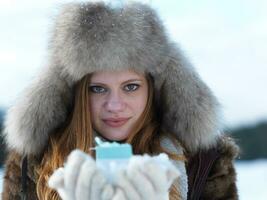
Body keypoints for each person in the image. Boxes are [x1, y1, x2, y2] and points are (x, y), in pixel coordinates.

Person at [1, 1, 239, 200]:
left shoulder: (202, 163)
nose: (114, 105)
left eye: (131, 87)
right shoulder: (35, 165)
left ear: (153, 90)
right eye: (97, 89)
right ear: (76, 94)